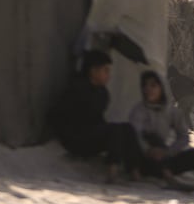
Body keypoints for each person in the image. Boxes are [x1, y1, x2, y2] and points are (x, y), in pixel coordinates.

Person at [48, 49, 139, 183]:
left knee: (127, 128)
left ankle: (135, 171)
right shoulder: (77, 89)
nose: (109, 75)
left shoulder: (102, 93)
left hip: (91, 133)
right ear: (93, 71)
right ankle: (112, 173)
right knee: (114, 130)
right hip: (76, 138)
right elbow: (65, 117)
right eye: (105, 70)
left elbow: (98, 118)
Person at [129, 70, 194, 193]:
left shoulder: (171, 111)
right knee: (151, 138)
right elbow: (135, 135)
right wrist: (149, 150)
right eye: (145, 85)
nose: (148, 89)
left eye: (153, 85)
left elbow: (183, 137)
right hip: (144, 160)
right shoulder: (139, 110)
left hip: (165, 155)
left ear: (162, 87)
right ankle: (170, 179)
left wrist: (168, 151)